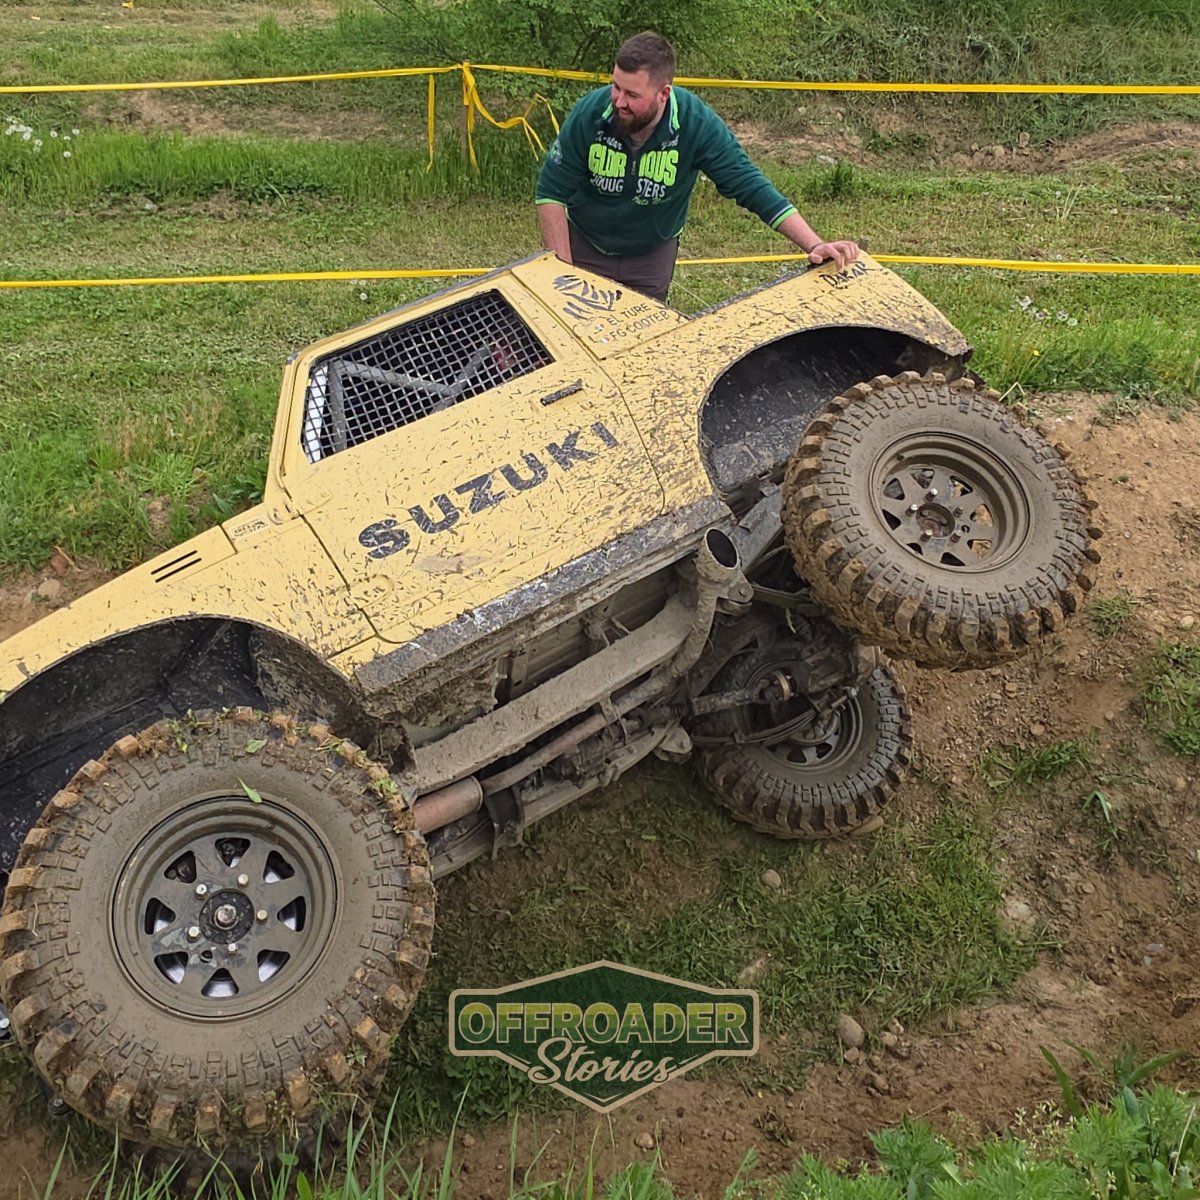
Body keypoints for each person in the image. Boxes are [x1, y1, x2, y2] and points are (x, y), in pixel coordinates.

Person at [535, 31, 859, 303]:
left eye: (632, 94)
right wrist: (563, 275)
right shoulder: (590, 114)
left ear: (664, 94)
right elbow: (551, 192)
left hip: (651, 255)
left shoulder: (696, 124)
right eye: (615, 87)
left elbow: (750, 185)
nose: (618, 101)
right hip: (585, 244)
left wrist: (815, 244)